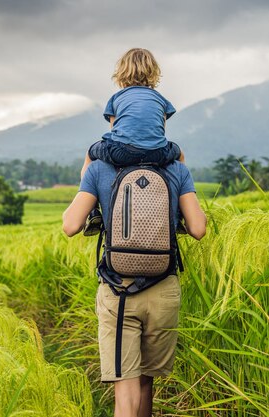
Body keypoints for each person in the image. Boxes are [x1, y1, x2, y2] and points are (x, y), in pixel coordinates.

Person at [62, 160, 206, 417]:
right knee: (145, 382)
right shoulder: (177, 168)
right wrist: (181, 162)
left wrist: (87, 163)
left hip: (120, 293)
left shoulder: (98, 167)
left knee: (125, 394)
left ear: (113, 120)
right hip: (163, 291)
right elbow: (198, 228)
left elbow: (71, 225)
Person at [80, 48, 186, 235]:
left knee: (90, 155)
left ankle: (93, 211)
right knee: (180, 156)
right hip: (157, 153)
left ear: (121, 73)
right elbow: (159, 128)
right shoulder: (160, 99)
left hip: (122, 152)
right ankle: (179, 214)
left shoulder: (117, 98)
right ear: (153, 72)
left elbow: (114, 132)